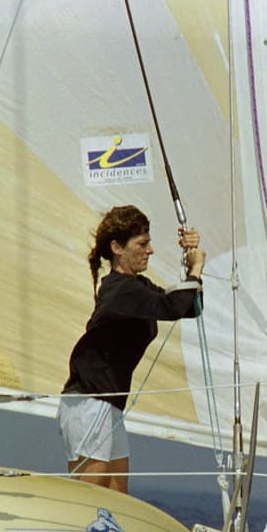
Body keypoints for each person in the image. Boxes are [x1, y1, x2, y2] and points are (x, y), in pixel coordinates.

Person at [59, 205, 205, 493]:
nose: (150, 251)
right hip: (88, 402)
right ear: (117, 247)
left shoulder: (137, 286)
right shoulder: (121, 291)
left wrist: (192, 268)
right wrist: (197, 269)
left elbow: (187, 306)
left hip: (108, 404)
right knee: (92, 495)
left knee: (117, 497)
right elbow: (173, 306)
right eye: (142, 244)